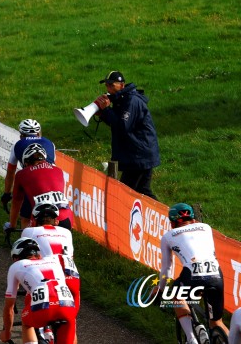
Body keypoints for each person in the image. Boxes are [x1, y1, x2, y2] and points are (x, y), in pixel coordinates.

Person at [158, 203, 228, 344]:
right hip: (216, 276)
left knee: (175, 295)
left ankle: (191, 339)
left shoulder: (168, 236)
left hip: (192, 277)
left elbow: (166, 268)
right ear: (194, 219)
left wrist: (160, 289)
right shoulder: (206, 227)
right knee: (217, 323)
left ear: (172, 223)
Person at [92, 71, 160, 200]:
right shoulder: (123, 99)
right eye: (107, 85)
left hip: (139, 156)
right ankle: (167, 218)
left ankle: (167, 217)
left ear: (122, 85)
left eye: (112, 85)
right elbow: (118, 123)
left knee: (124, 192)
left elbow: (123, 126)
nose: (108, 89)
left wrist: (106, 109)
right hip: (139, 153)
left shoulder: (131, 101)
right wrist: (103, 114)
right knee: (143, 190)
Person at [0, 237, 77, 344]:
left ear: (16, 258)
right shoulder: (54, 260)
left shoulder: (16, 266)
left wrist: (7, 333)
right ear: (39, 254)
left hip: (43, 309)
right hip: (67, 307)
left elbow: (9, 307)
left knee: (27, 323)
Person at [22, 203, 80, 310]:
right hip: (70, 275)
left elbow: (23, 260)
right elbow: (71, 256)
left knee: (33, 315)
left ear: (34, 221)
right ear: (57, 221)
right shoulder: (67, 232)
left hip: (45, 277)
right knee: (71, 314)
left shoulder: (28, 231)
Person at [8, 143, 73, 230]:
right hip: (65, 216)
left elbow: (16, 202)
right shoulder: (58, 170)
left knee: (29, 241)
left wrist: (12, 225)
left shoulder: (21, 174)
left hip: (41, 218)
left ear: (26, 163)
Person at [1, 118, 56, 210]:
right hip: (51, 180)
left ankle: (13, 224)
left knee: (25, 216)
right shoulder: (51, 143)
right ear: (38, 133)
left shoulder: (17, 145)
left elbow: (11, 172)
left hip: (32, 179)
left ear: (21, 135)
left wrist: (6, 193)